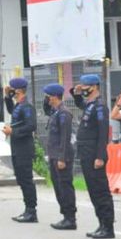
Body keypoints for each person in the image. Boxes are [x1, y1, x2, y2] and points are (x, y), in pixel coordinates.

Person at [71, 74, 115, 239]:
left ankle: (108, 226)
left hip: (94, 154)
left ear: (95, 87)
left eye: (85, 87)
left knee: (100, 190)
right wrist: (75, 93)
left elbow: (103, 133)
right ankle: (101, 224)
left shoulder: (100, 106)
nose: (83, 89)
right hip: (86, 153)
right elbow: (79, 103)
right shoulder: (90, 105)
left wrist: (100, 156)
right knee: (93, 190)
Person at [3, 77, 38, 223]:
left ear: (17, 90)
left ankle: (31, 210)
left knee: (26, 179)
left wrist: (13, 132)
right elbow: (13, 111)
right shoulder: (19, 105)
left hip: (24, 147)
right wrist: (6, 97)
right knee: (21, 178)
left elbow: (31, 126)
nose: (10, 90)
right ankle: (27, 209)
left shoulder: (27, 107)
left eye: (11, 89)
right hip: (17, 146)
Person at [43, 83, 77, 230]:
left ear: (55, 96)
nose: (47, 98)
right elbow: (46, 110)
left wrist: (62, 158)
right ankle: (65, 215)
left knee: (65, 186)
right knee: (58, 186)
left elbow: (65, 137)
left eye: (48, 96)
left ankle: (70, 218)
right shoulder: (55, 112)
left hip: (61, 157)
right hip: (54, 155)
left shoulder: (64, 113)